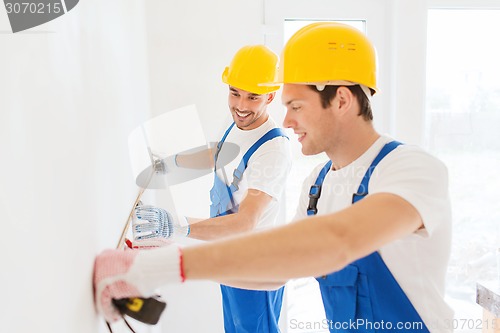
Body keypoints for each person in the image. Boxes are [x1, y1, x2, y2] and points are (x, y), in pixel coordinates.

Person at [95, 22, 453, 332]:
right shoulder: (318, 185)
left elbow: (338, 240)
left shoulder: (410, 169)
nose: (286, 122)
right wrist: (164, 263)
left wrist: (157, 266)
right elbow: (277, 270)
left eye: (296, 107)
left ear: (342, 100)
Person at [129, 44, 292, 333]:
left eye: (253, 97)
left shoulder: (273, 150)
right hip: (228, 254)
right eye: (235, 93)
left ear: (270, 95)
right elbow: (215, 153)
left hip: (256, 265)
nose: (241, 105)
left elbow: (245, 222)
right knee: (235, 328)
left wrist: (176, 225)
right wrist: (170, 164)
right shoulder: (237, 124)